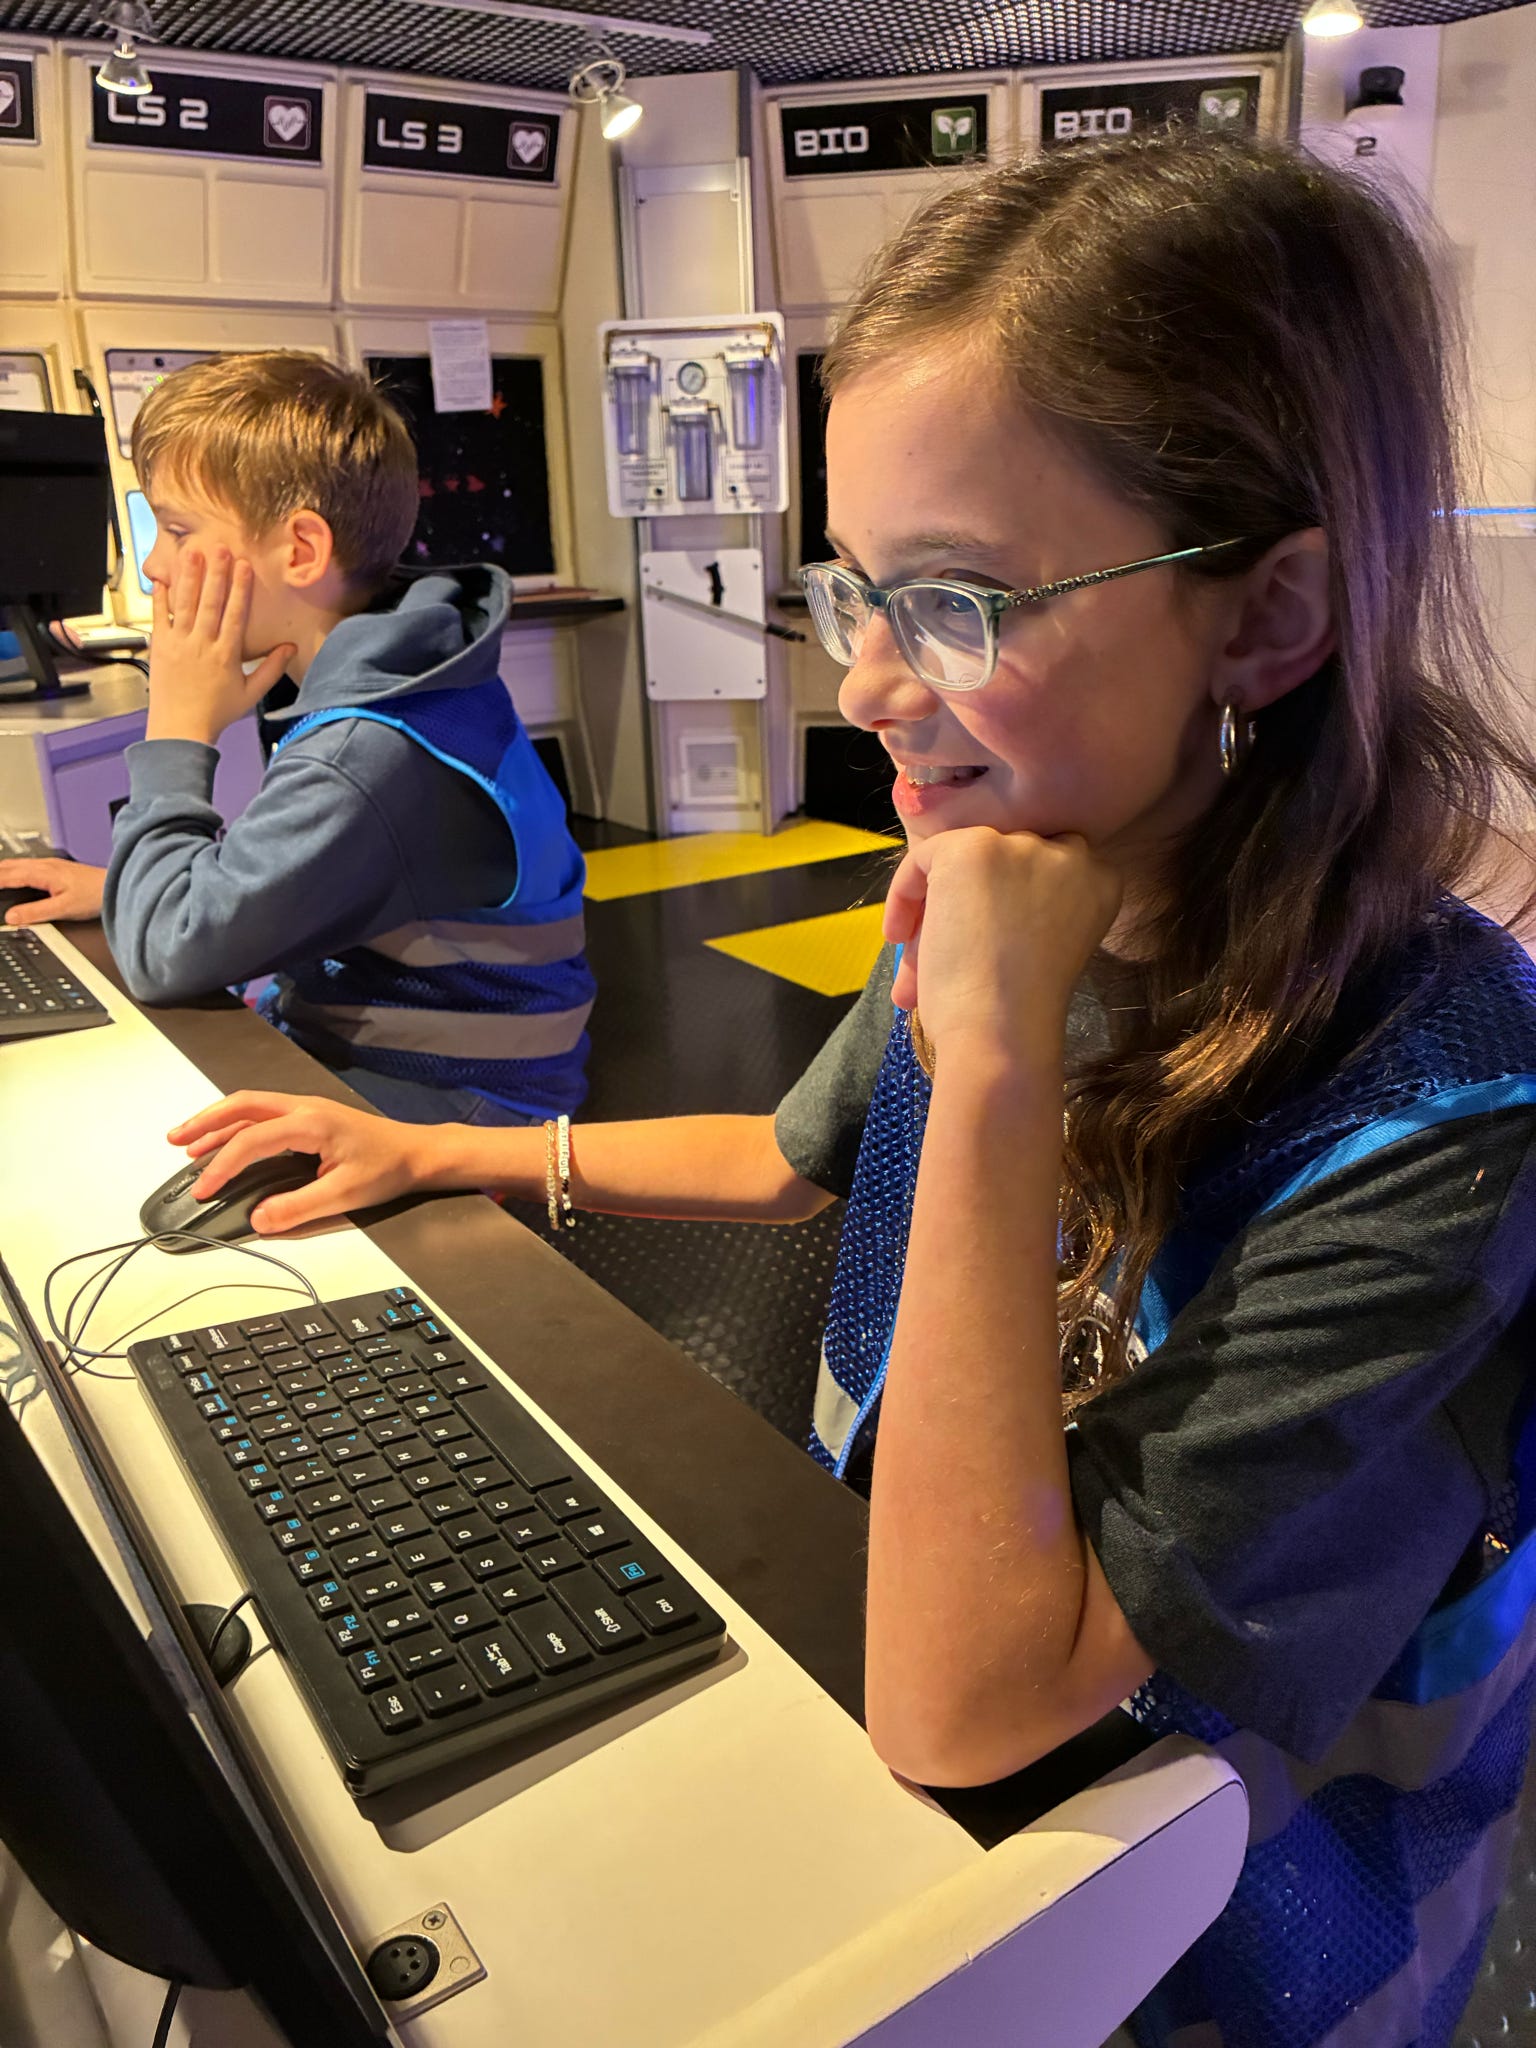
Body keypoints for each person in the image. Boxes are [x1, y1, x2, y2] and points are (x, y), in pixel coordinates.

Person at [160, 137, 1536, 2047]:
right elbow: (791, 1155)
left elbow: (978, 1699)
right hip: (922, 1754)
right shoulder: (1009, 870)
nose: (870, 685)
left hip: (1207, 1937)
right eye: (856, 592)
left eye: (959, 600)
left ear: (1267, 617)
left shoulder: (1449, 1119)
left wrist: (994, 1065)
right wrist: (438, 1144)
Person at [0, 351, 592, 1127]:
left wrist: (177, 727)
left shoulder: (365, 751)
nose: (152, 566)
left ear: (302, 551)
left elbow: (164, 958)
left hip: (457, 1101)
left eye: (176, 530)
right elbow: (275, 884)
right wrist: (128, 890)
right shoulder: (412, 667)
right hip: (445, 1065)